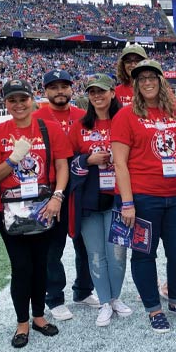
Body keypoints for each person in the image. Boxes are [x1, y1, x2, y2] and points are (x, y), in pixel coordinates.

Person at [112, 60, 176, 333]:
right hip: (143, 197)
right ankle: (153, 308)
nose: (147, 82)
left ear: (162, 80)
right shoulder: (126, 115)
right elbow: (120, 163)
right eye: (141, 78)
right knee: (144, 254)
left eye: (152, 77)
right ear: (135, 84)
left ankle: (175, 299)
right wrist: (127, 202)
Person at [0, 79, 72, 348]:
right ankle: (21, 322)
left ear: (32, 99)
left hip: (43, 207)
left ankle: (38, 317)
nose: (19, 104)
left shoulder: (49, 128)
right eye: (12, 100)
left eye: (22, 98)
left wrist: (58, 196)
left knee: (41, 264)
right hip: (9, 212)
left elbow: (61, 166)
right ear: (6, 103)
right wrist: (13, 158)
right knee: (21, 266)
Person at [66, 73, 132, 327]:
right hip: (89, 201)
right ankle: (104, 300)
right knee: (95, 254)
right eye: (92, 92)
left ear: (112, 93)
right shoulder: (80, 126)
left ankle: (115, 297)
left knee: (117, 253)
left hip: (118, 198)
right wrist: (86, 160)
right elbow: (66, 163)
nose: (97, 96)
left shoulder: (124, 120)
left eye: (102, 91)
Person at [33, 69, 99, 321]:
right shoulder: (36, 117)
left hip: (83, 189)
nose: (60, 91)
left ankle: (83, 290)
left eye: (64, 86)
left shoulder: (84, 116)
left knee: (86, 245)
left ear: (72, 89)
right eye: (54, 87)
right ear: (45, 91)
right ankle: (54, 297)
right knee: (53, 248)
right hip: (52, 191)